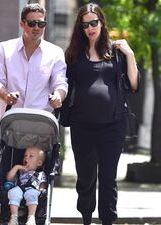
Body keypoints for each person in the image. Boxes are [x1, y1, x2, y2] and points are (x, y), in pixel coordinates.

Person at [64, 3, 139, 225]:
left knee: (108, 178)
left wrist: (130, 54)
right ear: (81, 27)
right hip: (82, 126)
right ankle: (86, 218)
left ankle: (108, 221)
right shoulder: (74, 55)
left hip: (112, 126)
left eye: (93, 22)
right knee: (86, 178)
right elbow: (65, 86)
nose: (90, 28)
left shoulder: (116, 53)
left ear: (102, 23)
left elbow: (134, 85)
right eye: (85, 24)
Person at [0, 3, 68, 119]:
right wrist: (6, 96)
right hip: (12, 121)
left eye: (41, 24)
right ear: (22, 24)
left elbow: (60, 83)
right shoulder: (3, 49)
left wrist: (58, 96)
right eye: (32, 23)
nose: (36, 28)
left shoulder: (56, 53)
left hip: (42, 122)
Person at [6, 146, 47, 225]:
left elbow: (43, 183)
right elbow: (8, 178)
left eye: (31, 156)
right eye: (25, 156)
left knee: (32, 193)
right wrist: (16, 167)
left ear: (38, 163)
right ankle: (14, 217)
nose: (26, 158)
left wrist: (42, 189)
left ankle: (31, 217)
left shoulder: (40, 174)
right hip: (19, 188)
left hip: (32, 189)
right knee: (13, 192)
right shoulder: (20, 172)